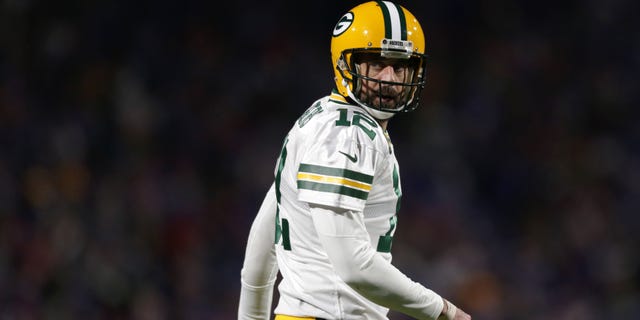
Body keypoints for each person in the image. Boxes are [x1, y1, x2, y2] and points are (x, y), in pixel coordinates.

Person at [238, 1, 472, 319]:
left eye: (400, 65)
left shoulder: (319, 120)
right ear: (345, 64)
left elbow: (261, 249)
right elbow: (353, 266)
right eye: (376, 64)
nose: (389, 78)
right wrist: (442, 311)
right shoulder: (348, 134)